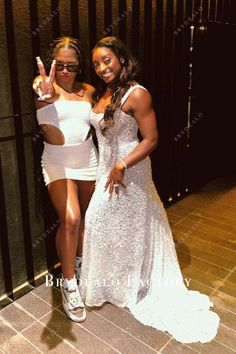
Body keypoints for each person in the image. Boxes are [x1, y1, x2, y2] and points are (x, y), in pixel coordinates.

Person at [79, 37, 220, 343]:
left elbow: (151, 138)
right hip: (107, 169)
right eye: (96, 64)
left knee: (114, 223)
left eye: (107, 60)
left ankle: (130, 283)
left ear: (121, 58)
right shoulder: (105, 93)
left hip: (130, 170)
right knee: (108, 224)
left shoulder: (137, 93)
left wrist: (122, 165)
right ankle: (113, 283)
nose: (102, 68)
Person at [32, 37, 98, 323]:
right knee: (70, 219)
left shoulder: (90, 91)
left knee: (84, 218)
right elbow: (42, 91)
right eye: (60, 65)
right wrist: (44, 89)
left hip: (88, 159)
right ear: (52, 64)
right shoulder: (46, 85)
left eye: (72, 66)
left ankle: (79, 264)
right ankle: (69, 284)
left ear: (79, 66)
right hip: (58, 161)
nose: (66, 71)